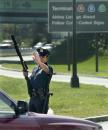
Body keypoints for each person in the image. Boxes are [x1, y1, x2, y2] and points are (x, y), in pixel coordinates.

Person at [23, 48, 53, 114]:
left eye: (42, 56)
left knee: (40, 121)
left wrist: (38, 61)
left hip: (41, 99)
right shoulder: (35, 69)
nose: (40, 58)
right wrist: (26, 77)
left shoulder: (48, 68)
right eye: (39, 56)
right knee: (31, 119)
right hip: (33, 98)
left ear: (46, 58)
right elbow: (31, 82)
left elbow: (46, 69)